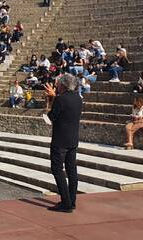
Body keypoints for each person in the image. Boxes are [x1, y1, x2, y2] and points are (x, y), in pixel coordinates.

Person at [44, 74, 82, 213]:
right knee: (72, 170)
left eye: (58, 84)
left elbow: (50, 118)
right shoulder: (78, 98)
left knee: (57, 170)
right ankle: (72, 201)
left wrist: (50, 102)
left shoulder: (60, 99)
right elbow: (66, 111)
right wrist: (55, 97)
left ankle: (66, 203)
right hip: (73, 140)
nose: (57, 86)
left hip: (60, 141)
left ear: (63, 85)